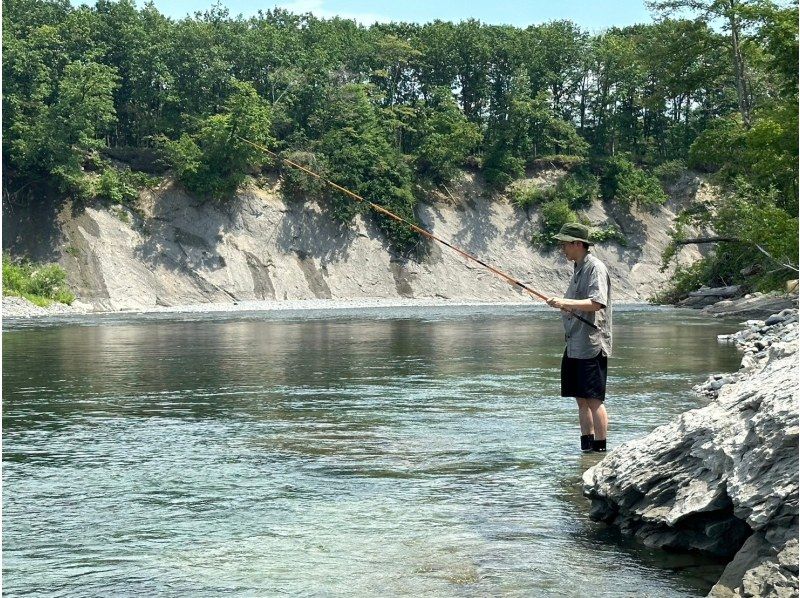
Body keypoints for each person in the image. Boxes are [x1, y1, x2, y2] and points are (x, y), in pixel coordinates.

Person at [545, 223, 612, 453]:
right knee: (580, 400)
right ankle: (587, 450)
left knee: (594, 400)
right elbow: (576, 305)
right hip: (574, 343)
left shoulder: (595, 268)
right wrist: (565, 306)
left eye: (564, 244)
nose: (562, 248)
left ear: (577, 244)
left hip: (591, 344)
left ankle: (601, 451)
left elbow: (597, 302)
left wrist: (565, 303)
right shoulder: (577, 268)